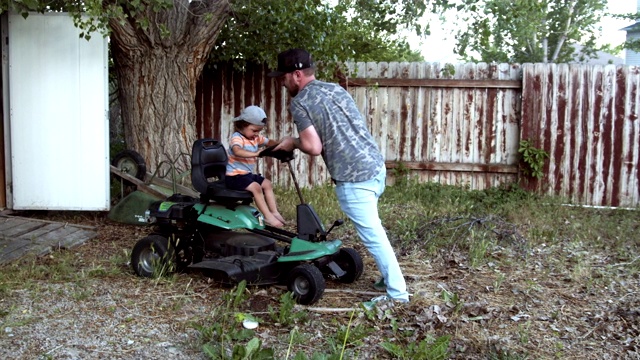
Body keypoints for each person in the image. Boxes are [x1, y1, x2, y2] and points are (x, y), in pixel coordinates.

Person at [268, 49, 410, 307]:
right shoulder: (334, 89)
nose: (281, 81)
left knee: (373, 235)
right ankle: (390, 279)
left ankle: (397, 295)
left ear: (297, 75)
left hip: (353, 177)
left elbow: (313, 147)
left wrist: (292, 142)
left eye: (283, 76)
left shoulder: (300, 102)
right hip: (375, 167)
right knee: (374, 230)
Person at [226, 105, 286, 228]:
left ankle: (274, 212)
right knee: (256, 188)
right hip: (234, 177)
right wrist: (256, 153)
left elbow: (268, 142)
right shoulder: (237, 138)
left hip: (246, 175)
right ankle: (268, 217)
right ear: (243, 125)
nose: (256, 134)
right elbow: (237, 151)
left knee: (267, 184)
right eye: (254, 130)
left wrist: (280, 144)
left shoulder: (255, 138)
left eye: (259, 131)